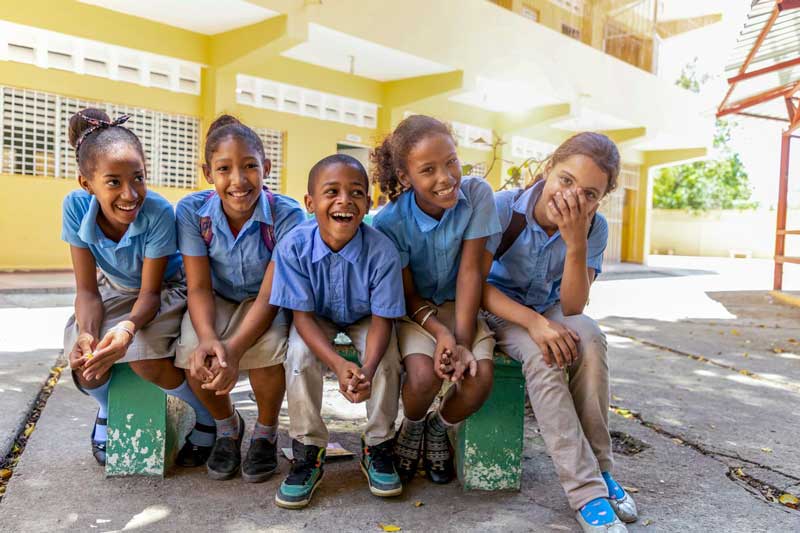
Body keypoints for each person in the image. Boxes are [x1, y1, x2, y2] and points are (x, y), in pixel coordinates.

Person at [482, 132, 637, 532]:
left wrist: (574, 244)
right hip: (501, 311)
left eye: (589, 193)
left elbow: (572, 307)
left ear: (600, 199)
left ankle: (602, 470)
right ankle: (586, 493)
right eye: (566, 181)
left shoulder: (593, 228)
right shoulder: (503, 209)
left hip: (552, 309)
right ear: (549, 168)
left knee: (589, 334)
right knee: (543, 355)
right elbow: (476, 286)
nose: (572, 198)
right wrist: (535, 323)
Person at [62, 108, 214, 467]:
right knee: (85, 360)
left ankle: (208, 418)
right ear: (88, 184)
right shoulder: (74, 206)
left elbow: (148, 295)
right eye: (113, 182)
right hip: (115, 289)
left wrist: (127, 329)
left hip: (164, 290)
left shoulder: (158, 211)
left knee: (144, 355)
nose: (130, 194)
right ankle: (107, 409)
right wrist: (87, 332)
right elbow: (87, 291)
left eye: (139, 178)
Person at [174, 115, 305, 481]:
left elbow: (271, 291)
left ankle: (265, 430)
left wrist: (235, 348)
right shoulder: (191, 213)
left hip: (267, 299)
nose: (238, 180)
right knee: (194, 354)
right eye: (224, 169)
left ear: (265, 167)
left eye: (250, 166)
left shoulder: (287, 214)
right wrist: (210, 340)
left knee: (269, 349)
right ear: (207, 172)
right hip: (214, 297)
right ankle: (227, 426)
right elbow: (198, 286)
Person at [372, 114, 500, 484]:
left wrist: (460, 340)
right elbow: (407, 294)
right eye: (428, 170)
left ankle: (439, 425)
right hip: (418, 312)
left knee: (479, 378)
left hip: (463, 302)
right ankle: (412, 425)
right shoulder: (390, 224)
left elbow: (471, 272)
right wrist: (440, 334)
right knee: (424, 376)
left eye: (451, 162)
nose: (446, 178)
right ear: (405, 178)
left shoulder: (477, 196)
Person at [270, 154, 405, 509]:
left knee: (389, 358)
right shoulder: (294, 247)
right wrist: (337, 363)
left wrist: (368, 370)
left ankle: (378, 445)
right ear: (310, 203)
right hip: (317, 317)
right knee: (299, 354)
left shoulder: (382, 251)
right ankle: (308, 450)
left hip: (365, 316)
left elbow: (382, 320)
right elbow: (301, 317)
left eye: (356, 192)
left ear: (367, 203)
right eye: (332, 192)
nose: (345, 200)